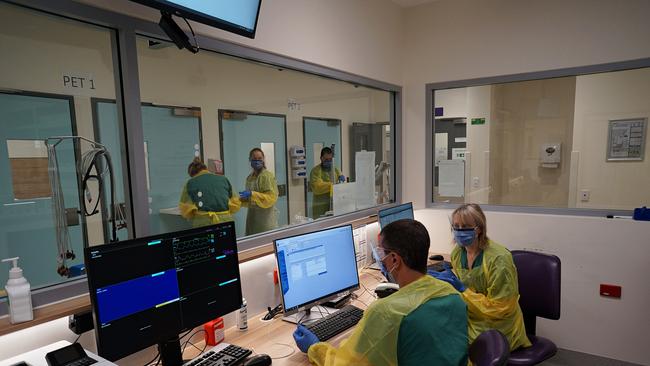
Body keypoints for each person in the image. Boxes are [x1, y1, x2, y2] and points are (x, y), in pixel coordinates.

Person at [293, 219, 468, 366]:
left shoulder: (386, 312)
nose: (380, 259)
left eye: (380, 252)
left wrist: (314, 347)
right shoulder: (449, 292)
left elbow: (347, 363)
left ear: (394, 259)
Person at [430, 203, 531, 351]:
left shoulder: (499, 259)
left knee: (449, 341)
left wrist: (462, 289)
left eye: (465, 227)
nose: (459, 231)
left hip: (499, 323)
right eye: (455, 227)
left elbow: (500, 308)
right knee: (434, 328)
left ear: (479, 229)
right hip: (474, 315)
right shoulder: (458, 253)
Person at [178, 157, 240, 227]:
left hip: (203, 222)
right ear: (206, 169)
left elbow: (185, 209)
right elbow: (235, 203)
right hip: (225, 221)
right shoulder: (223, 179)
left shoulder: (190, 183)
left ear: (192, 174)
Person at [239, 148, 279, 235]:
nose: (257, 161)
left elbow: (271, 198)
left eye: (259, 158)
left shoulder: (266, 176)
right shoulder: (250, 177)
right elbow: (251, 201)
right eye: (254, 159)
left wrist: (252, 194)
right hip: (252, 218)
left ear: (263, 159)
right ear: (250, 160)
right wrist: (240, 200)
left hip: (265, 220)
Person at [309, 147, 345, 219]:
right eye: (326, 159)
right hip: (320, 206)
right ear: (321, 158)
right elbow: (317, 187)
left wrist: (341, 182)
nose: (328, 162)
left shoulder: (335, 169)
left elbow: (341, 186)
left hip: (334, 206)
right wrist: (333, 185)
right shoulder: (315, 171)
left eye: (330, 160)